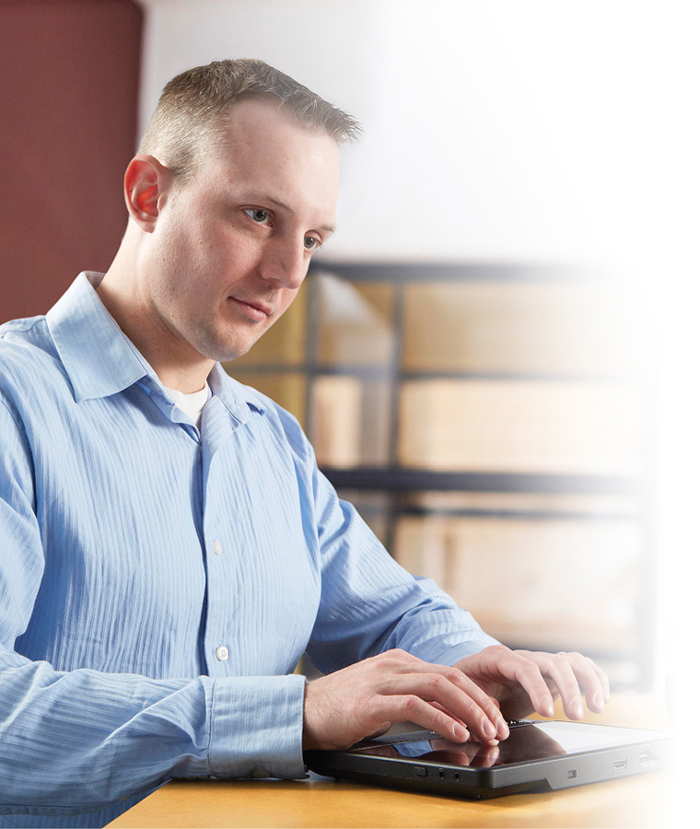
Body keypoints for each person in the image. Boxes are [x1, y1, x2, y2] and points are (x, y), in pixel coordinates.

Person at [0, 59, 609, 828]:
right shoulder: (12, 404)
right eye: (258, 215)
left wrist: (470, 662)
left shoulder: (268, 439)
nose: (289, 272)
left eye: (313, 237)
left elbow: (390, 613)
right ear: (149, 194)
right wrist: (293, 712)